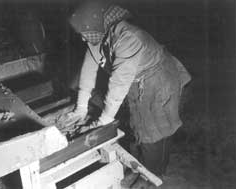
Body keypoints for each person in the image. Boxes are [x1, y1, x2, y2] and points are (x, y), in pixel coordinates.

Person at [66, 0, 191, 179]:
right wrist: (80, 109)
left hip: (158, 80)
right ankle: (141, 163)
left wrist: (104, 121)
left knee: (155, 131)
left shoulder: (129, 38)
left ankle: (154, 174)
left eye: (83, 33)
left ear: (92, 27)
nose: (82, 38)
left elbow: (118, 85)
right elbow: (87, 71)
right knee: (138, 125)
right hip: (137, 80)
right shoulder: (98, 34)